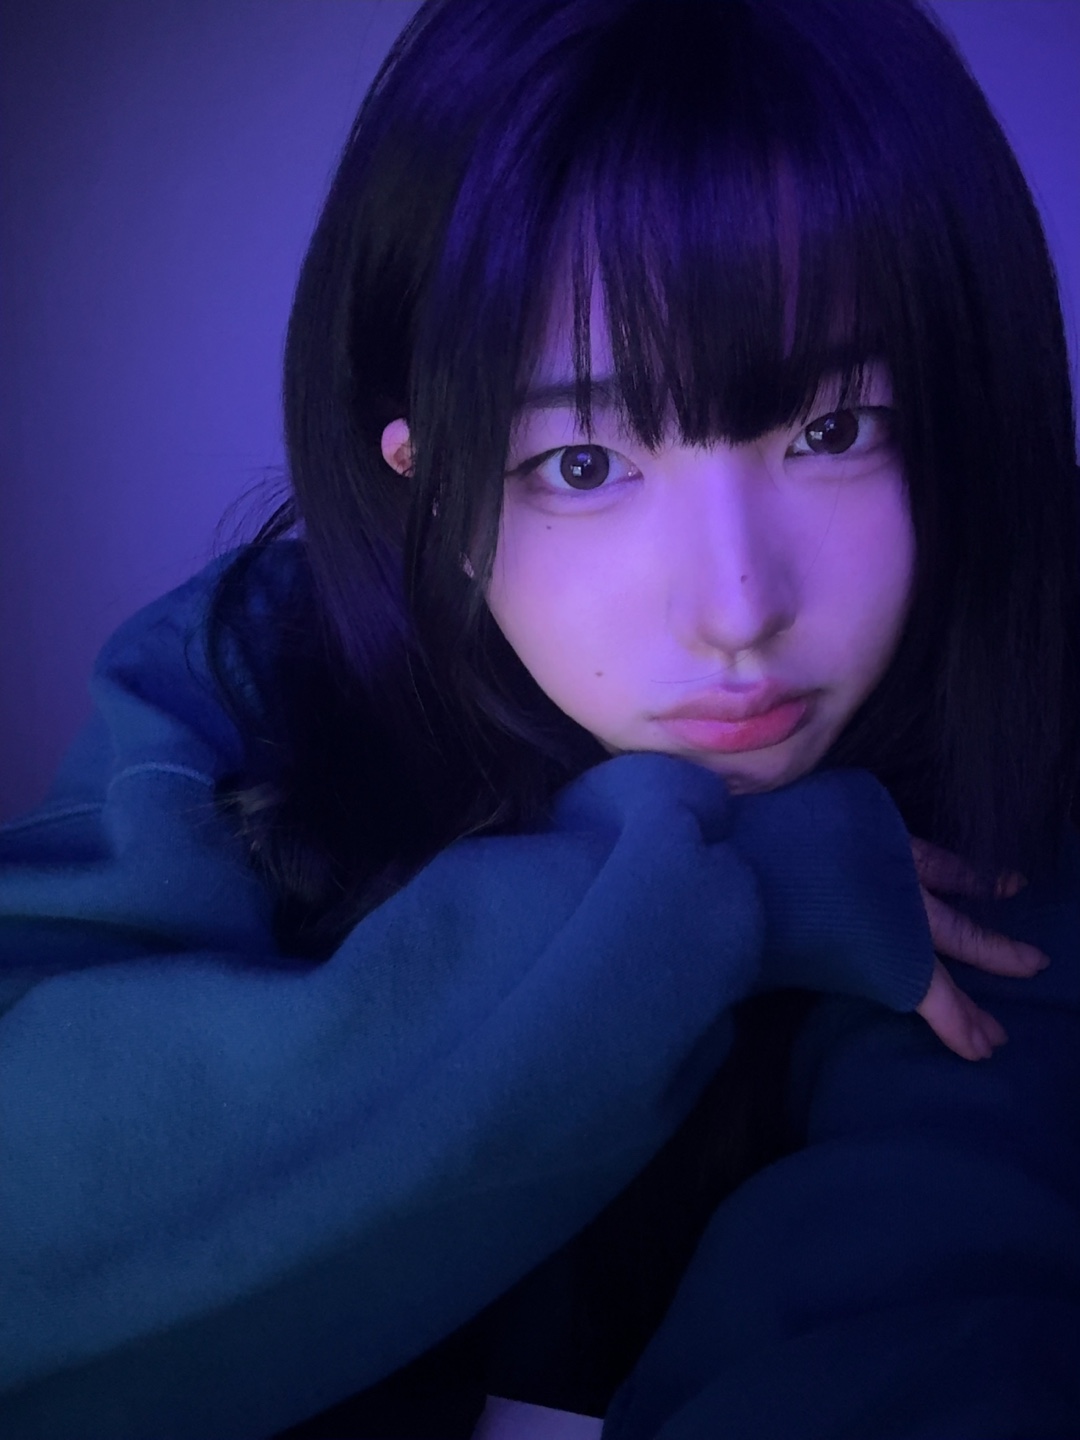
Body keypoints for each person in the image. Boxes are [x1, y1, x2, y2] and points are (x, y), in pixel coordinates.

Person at [1, 0, 1078, 1435]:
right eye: (581, 462)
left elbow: (923, 1323)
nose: (737, 608)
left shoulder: (1018, 752)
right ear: (430, 482)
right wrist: (721, 890)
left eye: (831, 432)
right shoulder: (242, 682)